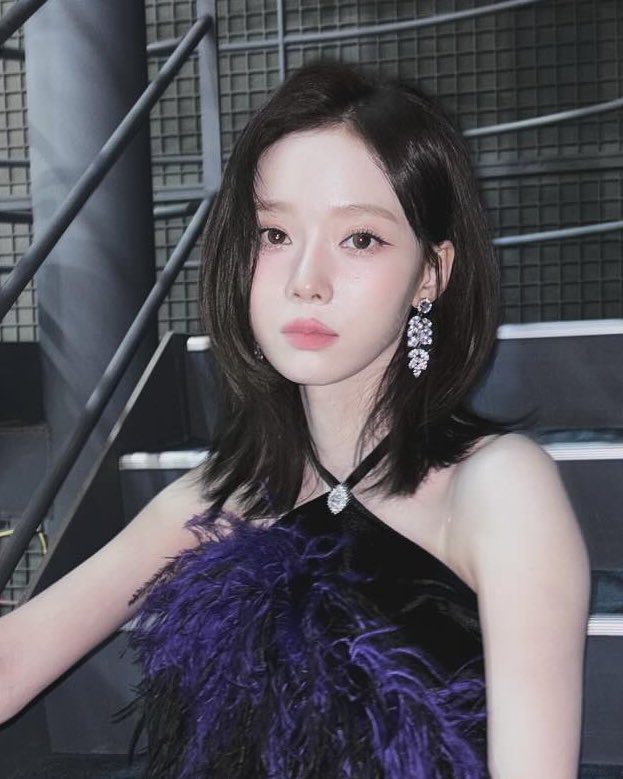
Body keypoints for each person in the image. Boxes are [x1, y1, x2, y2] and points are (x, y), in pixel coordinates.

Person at [0, 61, 590, 778]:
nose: (306, 280)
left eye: (360, 239)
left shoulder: (497, 488)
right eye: (274, 234)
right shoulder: (217, 497)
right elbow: (15, 658)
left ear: (430, 274)